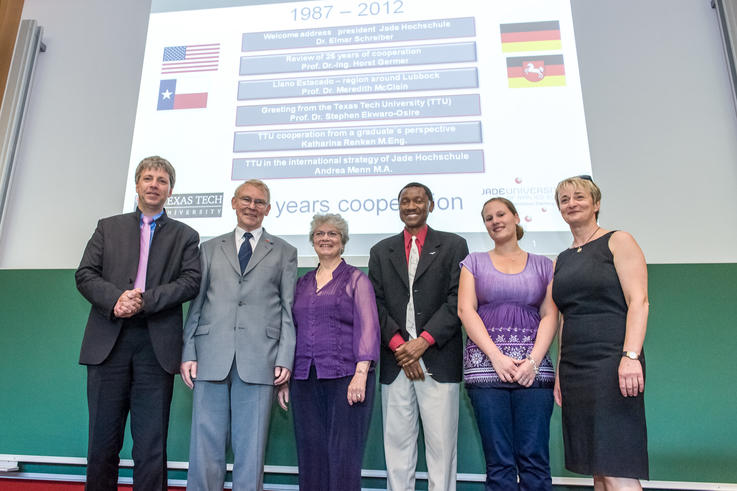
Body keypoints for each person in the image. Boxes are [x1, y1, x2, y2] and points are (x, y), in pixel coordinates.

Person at [76, 156, 201, 491]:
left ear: (170, 190)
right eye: (148, 178)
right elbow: (85, 275)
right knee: (102, 444)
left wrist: (145, 301)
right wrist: (116, 299)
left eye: (161, 180)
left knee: (151, 446)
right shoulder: (108, 226)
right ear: (136, 185)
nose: (154, 185)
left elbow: (191, 282)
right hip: (108, 344)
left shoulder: (186, 236)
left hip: (155, 346)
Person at [180, 179, 297, 491]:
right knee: (205, 446)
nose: (252, 206)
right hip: (210, 355)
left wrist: (285, 357)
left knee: (252, 449)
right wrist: (188, 352)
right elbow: (197, 303)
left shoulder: (285, 251)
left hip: (261, 360)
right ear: (233, 203)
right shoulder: (208, 249)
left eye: (259, 202)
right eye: (246, 199)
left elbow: (288, 309)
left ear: (268, 209)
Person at [368, 182, 469, 491]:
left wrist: (423, 341)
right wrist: (401, 347)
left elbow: (458, 300)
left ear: (431, 205)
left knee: (442, 450)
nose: (411, 206)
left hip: (438, 358)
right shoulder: (380, 250)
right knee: (397, 450)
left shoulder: (454, 245)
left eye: (418, 200)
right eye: (404, 201)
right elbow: (376, 304)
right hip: (396, 360)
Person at [552, 175, 649, 490]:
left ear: (596, 204)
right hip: (575, 369)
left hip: (613, 362)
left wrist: (630, 356)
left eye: (579, 197)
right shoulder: (562, 259)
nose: (572, 204)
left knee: (615, 465)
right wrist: (559, 376)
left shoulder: (618, 241)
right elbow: (565, 317)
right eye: (564, 199)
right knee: (596, 467)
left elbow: (639, 302)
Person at [457, 197, 558, 490]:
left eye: (500, 214)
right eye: (488, 218)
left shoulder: (545, 265)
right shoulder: (472, 262)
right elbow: (466, 310)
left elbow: (551, 314)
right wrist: (496, 357)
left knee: (535, 459)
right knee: (498, 462)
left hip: (534, 372)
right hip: (486, 372)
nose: (495, 221)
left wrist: (534, 363)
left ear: (516, 217)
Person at [277, 213, 380, 491]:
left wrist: (360, 375)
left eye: (333, 233)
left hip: (347, 378)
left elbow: (368, 327)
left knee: (344, 455)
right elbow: (291, 329)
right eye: (320, 233)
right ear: (312, 241)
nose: (326, 238)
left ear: (343, 242)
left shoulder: (357, 279)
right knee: (310, 454)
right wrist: (286, 376)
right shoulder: (302, 282)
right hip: (304, 379)